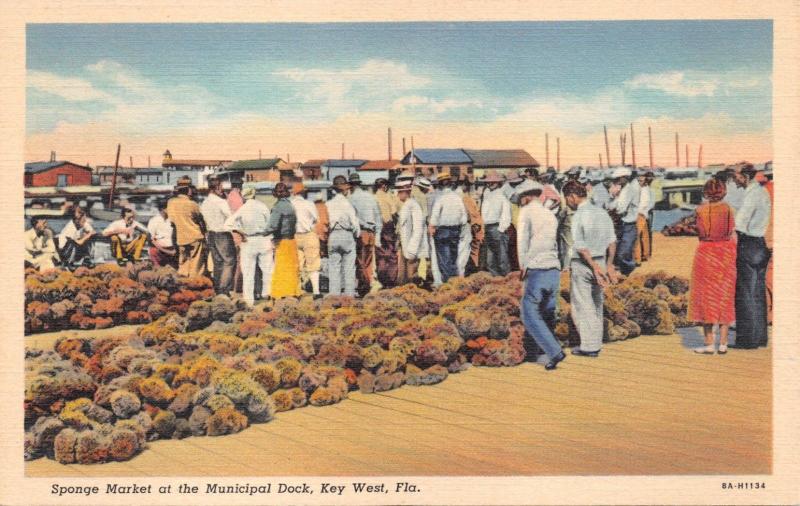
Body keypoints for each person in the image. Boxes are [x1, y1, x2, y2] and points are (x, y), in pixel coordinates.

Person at [563, 180, 619, 358]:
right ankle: (596, 342)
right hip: (601, 260)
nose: (567, 203)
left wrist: (594, 267)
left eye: (567, 199)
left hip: (584, 263)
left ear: (572, 196)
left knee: (582, 304)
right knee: (596, 303)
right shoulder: (602, 212)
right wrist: (608, 265)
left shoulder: (579, 215)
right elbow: (612, 242)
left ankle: (589, 346)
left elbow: (580, 246)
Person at [515, 180, 565, 370]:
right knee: (548, 311)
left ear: (526, 197)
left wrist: (523, 265)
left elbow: (522, 241)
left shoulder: (526, 212)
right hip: (553, 266)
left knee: (529, 312)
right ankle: (543, 351)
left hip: (536, 266)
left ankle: (554, 351)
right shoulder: (549, 214)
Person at [689, 178, 737, 354]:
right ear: (723, 191)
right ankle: (723, 343)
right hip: (726, 251)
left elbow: (700, 232)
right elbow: (731, 230)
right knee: (724, 294)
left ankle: (709, 343)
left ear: (706, 192)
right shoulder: (728, 209)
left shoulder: (701, 209)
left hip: (706, 251)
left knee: (706, 296)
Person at [731, 162, 771, 349]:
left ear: (745, 176)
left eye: (736, 175)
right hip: (761, 244)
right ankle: (760, 337)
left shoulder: (751, 195)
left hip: (748, 244)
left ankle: (747, 340)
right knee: (758, 292)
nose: (734, 178)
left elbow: (739, 224)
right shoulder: (762, 192)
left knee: (745, 293)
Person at [224, 186, 274, 305]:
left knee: (248, 273)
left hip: (248, 241)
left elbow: (227, 225)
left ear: (243, 196)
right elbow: (270, 225)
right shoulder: (263, 206)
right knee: (268, 270)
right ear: (254, 194)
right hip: (263, 239)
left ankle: (249, 300)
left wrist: (239, 231)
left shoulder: (242, 209)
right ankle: (268, 295)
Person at [347, 172, 382, 296]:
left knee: (359, 261)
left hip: (360, 232)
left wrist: (366, 225)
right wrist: (377, 232)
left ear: (351, 186)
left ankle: (364, 285)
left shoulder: (351, 199)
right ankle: (368, 284)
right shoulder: (371, 197)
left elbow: (353, 218)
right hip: (372, 232)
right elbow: (378, 216)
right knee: (368, 260)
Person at [428, 173, 467, 283]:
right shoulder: (457, 198)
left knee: (444, 259)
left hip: (442, 231)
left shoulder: (440, 199)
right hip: (455, 230)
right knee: (453, 258)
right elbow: (464, 217)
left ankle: (448, 283)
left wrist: (431, 228)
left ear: (440, 185)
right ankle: (455, 282)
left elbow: (434, 217)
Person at [264, 182, 300, 299]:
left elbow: (272, 226)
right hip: (292, 240)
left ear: (275, 194)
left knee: (280, 268)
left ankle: (280, 293)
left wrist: (260, 233)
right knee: (292, 267)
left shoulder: (278, 207)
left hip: (282, 241)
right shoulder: (291, 205)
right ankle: (292, 292)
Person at [326, 176, 360, 296]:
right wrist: (356, 235)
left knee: (334, 267)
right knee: (349, 268)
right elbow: (355, 225)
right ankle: (349, 295)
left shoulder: (328, 204)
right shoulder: (348, 204)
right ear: (345, 190)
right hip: (346, 235)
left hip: (333, 235)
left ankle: (334, 295)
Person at [201, 178, 236, 295]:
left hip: (210, 233)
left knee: (217, 262)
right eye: (221, 187)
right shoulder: (221, 202)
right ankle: (224, 289)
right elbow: (231, 217)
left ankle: (217, 288)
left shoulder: (204, 203)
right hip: (222, 233)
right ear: (216, 188)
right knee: (229, 261)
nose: (222, 190)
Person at [167, 177, 208, 277]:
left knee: (183, 264)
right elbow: (201, 220)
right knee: (196, 265)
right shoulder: (192, 204)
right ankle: (195, 285)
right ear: (188, 190)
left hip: (181, 238)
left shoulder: (171, 203)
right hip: (195, 237)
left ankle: (183, 285)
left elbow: (172, 222)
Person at [291, 181, 322, 298]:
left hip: (294, 236)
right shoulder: (309, 204)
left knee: (296, 265)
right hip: (309, 234)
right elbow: (316, 219)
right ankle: (316, 292)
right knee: (313, 264)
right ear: (304, 192)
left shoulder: (290, 204)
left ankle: (296, 291)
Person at [608, 167, 640, 275]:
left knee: (624, 252)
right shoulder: (624, 189)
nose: (616, 181)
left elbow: (619, 209)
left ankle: (627, 273)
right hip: (622, 224)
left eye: (618, 179)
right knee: (619, 251)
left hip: (629, 225)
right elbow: (611, 206)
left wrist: (614, 198)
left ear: (624, 178)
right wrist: (613, 196)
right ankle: (624, 273)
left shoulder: (630, 189)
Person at [480, 171, 511, 276]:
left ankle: (505, 278)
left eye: (492, 182)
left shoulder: (502, 195)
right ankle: (495, 278)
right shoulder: (486, 193)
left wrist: (501, 229)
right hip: (487, 226)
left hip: (497, 226)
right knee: (490, 258)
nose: (489, 184)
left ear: (498, 183)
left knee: (502, 256)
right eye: (488, 182)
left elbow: (506, 213)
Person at [396, 180, 427, 285]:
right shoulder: (406, 205)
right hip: (404, 247)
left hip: (411, 248)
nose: (398, 194)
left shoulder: (414, 205)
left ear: (407, 192)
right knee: (402, 277)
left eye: (400, 192)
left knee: (411, 277)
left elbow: (418, 228)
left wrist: (412, 249)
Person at [374, 178, 400, 288]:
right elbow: (394, 213)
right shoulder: (388, 197)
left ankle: (382, 278)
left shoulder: (373, 197)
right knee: (391, 254)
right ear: (384, 186)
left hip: (377, 226)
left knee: (380, 254)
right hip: (388, 226)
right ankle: (391, 278)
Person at [457, 178, 483, 276]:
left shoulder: (459, 196)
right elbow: (474, 215)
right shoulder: (466, 198)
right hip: (465, 226)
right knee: (465, 252)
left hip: (457, 227)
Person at [147, 201, 177, 268]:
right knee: (153, 251)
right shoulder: (154, 220)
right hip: (160, 249)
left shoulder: (173, 220)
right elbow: (151, 239)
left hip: (173, 249)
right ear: (163, 209)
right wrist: (165, 250)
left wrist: (174, 250)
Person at [634, 171, 655, 264]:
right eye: (638, 180)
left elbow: (644, 204)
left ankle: (638, 258)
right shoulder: (644, 189)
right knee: (644, 236)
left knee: (638, 236)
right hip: (643, 214)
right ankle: (645, 255)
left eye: (641, 180)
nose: (640, 182)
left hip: (640, 214)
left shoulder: (644, 190)